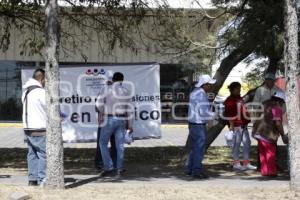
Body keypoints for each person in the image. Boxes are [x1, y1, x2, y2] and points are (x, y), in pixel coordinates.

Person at [97, 72, 133, 177]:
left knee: (103, 143)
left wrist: (102, 111)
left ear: (113, 79)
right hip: (121, 119)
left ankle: (109, 167)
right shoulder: (127, 91)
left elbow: (99, 104)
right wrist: (130, 124)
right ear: (122, 80)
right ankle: (119, 169)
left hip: (109, 118)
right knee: (120, 146)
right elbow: (130, 110)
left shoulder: (106, 89)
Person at [186, 74, 216, 179]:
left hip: (193, 124)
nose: (211, 87)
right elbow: (203, 112)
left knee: (194, 148)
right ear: (205, 84)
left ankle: (190, 169)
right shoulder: (201, 94)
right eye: (209, 84)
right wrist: (214, 115)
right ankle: (196, 171)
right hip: (198, 124)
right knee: (199, 149)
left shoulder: (195, 92)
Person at [252, 91, 288, 177]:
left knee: (262, 153)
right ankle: (271, 173)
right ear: (280, 101)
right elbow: (278, 123)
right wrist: (283, 135)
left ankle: (264, 172)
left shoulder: (264, 103)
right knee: (270, 153)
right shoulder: (276, 108)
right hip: (267, 134)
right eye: (282, 103)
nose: (283, 105)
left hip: (258, 132)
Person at [22, 68, 47, 186]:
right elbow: (49, 108)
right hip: (39, 127)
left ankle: (32, 179)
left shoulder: (26, 92)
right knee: (44, 154)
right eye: (45, 79)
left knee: (32, 153)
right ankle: (43, 179)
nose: (46, 82)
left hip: (28, 128)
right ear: (41, 79)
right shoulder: (41, 92)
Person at [224, 82, 256, 171]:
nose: (239, 90)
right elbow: (229, 115)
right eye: (237, 88)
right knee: (236, 144)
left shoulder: (239, 98)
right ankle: (236, 163)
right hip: (236, 125)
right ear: (232, 89)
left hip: (243, 124)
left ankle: (246, 163)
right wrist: (231, 125)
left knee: (247, 143)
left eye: (239, 88)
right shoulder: (229, 100)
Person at [95, 71, 117, 170]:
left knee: (102, 143)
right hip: (113, 120)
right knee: (113, 144)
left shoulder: (103, 90)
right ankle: (113, 164)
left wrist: (102, 112)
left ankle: (101, 163)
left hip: (105, 120)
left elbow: (97, 106)